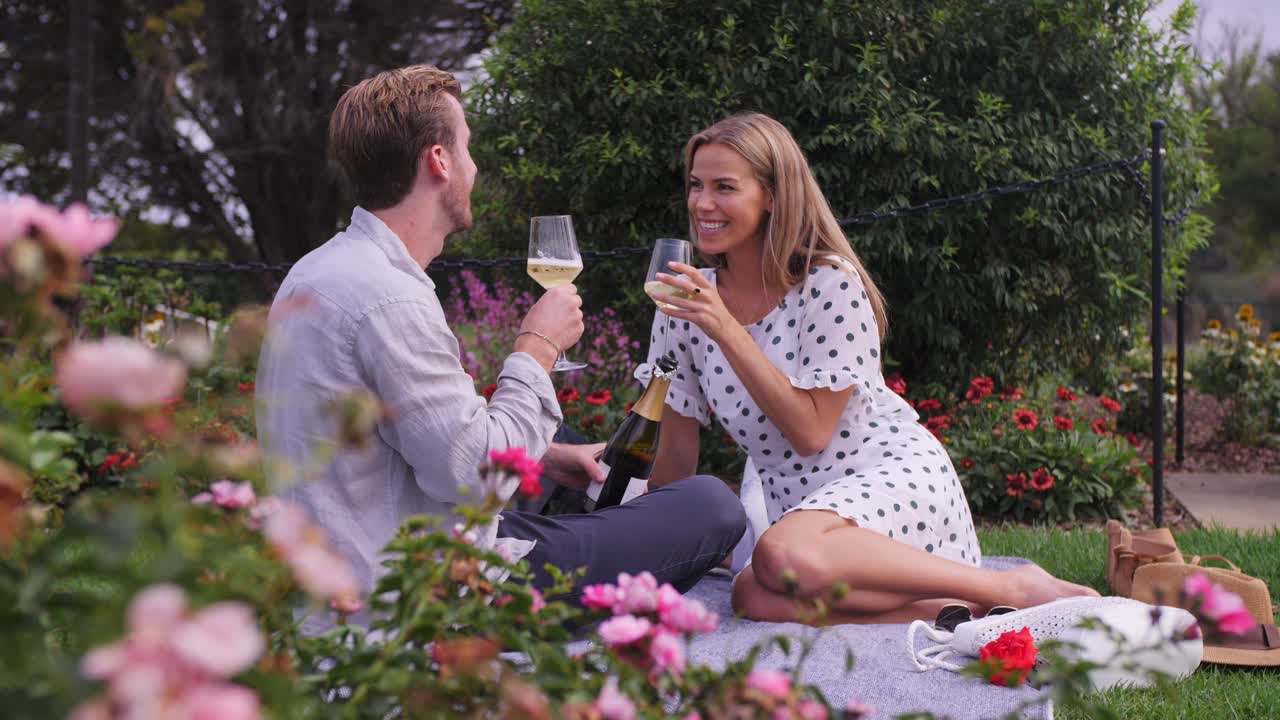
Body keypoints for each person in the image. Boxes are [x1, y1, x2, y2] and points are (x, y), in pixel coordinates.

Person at [254, 65, 745, 620]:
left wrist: (548, 456)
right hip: (427, 586)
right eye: (466, 147)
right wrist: (537, 346)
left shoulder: (324, 269)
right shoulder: (387, 298)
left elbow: (416, 441)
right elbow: (474, 477)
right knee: (711, 505)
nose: (475, 165)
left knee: (562, 445)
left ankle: (581, 509)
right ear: (439, 161)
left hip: (370, 538)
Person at [641, 112, 1098, 625]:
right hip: (806, 521)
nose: (703, 203)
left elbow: (812, 432)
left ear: (771, 196)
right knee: (751, 596)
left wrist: (724, 328)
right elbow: (676, 459)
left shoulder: (828, 285)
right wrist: (626, 529)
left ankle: (1012, 584)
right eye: (696, 185)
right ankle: (971, 610)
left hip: (886, 478)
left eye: (725, 187)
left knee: (777, 557)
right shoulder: (684, 305)